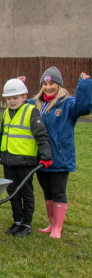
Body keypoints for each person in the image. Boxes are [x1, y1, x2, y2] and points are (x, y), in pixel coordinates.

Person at [20, 68, 92, 238]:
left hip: (60, 157)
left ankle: (58, 228)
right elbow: (20, 103)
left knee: (58, 192)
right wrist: (20, 85)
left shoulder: (68, 104)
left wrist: (84, 85)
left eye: (52, 83)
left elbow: (84, 107)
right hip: (41, 157)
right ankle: (51, 224)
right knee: (47, 192)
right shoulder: (35, 103)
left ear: (58, 85)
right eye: (45, 84)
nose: (48, 87)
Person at [0, 79, 53, 237]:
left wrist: (46, 155)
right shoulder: (6, 113)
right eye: (9, 98)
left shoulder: (31, 111)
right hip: (8, 160)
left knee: (26, 192)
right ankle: (17, 221)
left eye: (15, 98)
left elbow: (41, 135)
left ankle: (26, 223)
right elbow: (3, 133)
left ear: (24, 97)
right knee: (12, 192)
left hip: (25, 161)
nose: (11, 101)